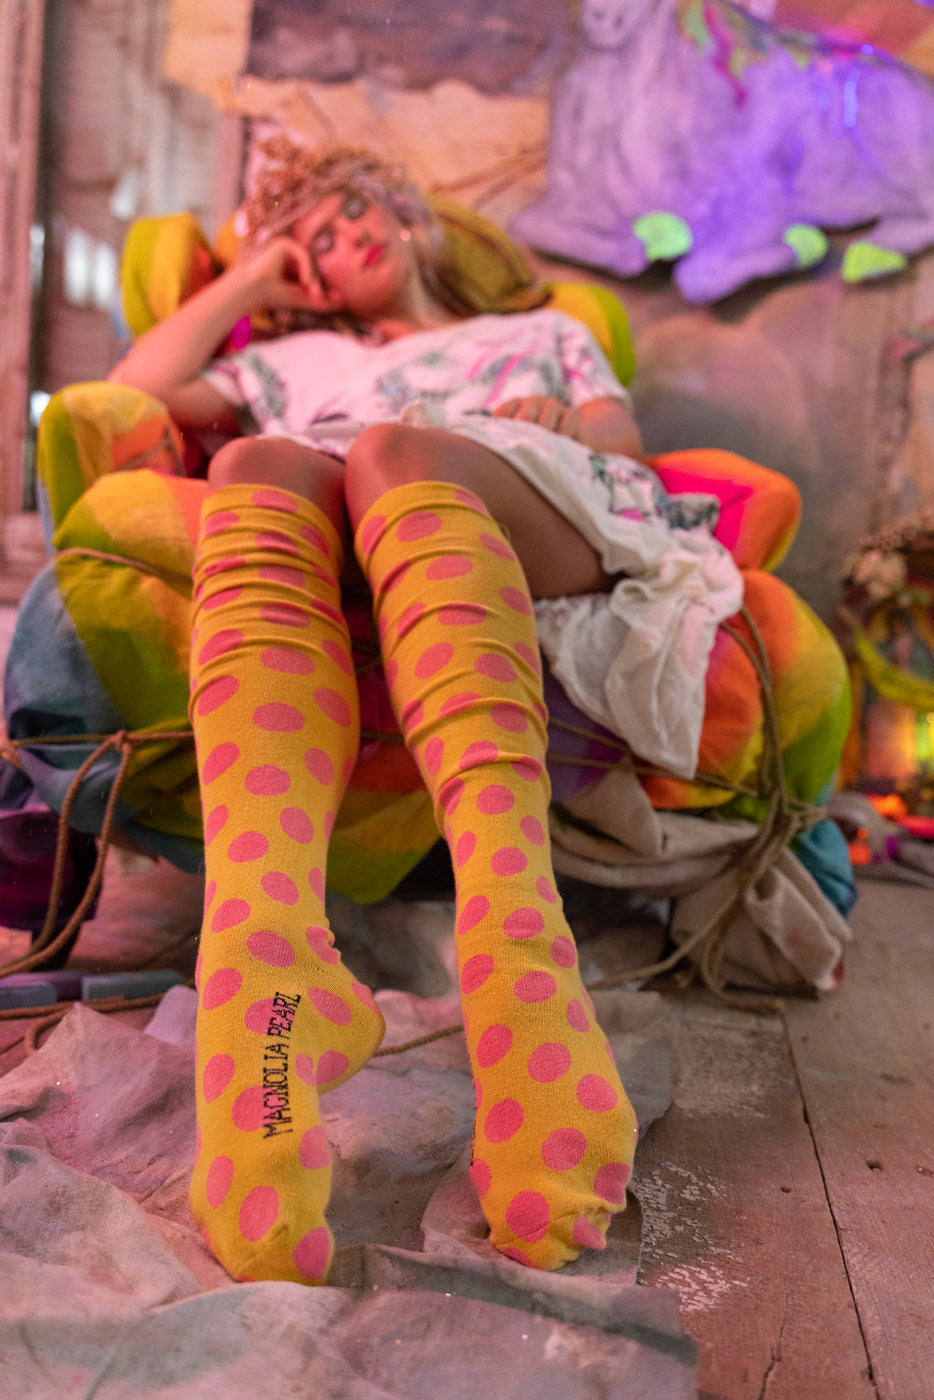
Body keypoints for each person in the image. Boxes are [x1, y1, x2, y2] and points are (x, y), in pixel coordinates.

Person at [110, 137, 655, 1286]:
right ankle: (265, 967)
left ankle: (519, 955)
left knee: (391, 448)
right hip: (333, 531)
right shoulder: (297, 357)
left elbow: (624, 451)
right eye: (307, 245)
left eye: (348, 213)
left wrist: (560, 412)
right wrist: (257, 280)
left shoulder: (542, 328)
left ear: (405, 211)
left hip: (510, 489)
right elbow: (140, 391)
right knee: (256, 464)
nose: (335, 242)